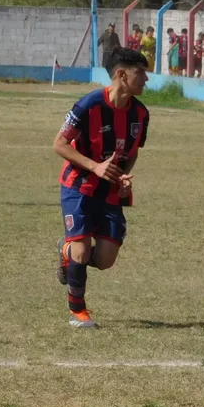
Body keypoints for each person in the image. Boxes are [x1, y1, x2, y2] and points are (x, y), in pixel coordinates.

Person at [54, 47, 150, 328]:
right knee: (81, 250)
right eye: (140, 73)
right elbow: (59, 144)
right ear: (121, 75)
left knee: (105, 260)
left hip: (110, 191)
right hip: (79, 186)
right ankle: (78, 312)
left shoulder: (141, 113)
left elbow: (132, 151)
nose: (146, 79)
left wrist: (123, 177)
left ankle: (65, 252)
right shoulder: (88, 105)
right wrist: (94, 166)